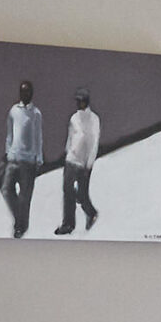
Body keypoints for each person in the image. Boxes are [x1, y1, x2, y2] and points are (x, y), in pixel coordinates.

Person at [55, 88, 101, 235]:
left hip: (84, 163)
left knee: (82, 194)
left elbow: (94, 142)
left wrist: (89, 164)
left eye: (81, 101)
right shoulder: (74, 118)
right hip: (71, 160)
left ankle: (91, 213)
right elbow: (70, 137)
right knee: (67, 190)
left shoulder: (94, 119)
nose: (79, 103)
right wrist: (67, 152)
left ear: (86, 101)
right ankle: (68, 224)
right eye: (77, 101)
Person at [1, 79, 43, 238]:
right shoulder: (13, 111)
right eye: (23, 91)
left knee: (25, 196)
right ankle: (21, 219)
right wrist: (7, 153)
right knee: (6, 189)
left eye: (28, 91)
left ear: (32, 93)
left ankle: (20, 227)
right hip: (13, 158)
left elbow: (38, 137)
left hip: (28, 161)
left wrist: (39, 158)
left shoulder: (36, 113)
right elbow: (9, 134)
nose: (25, 94)